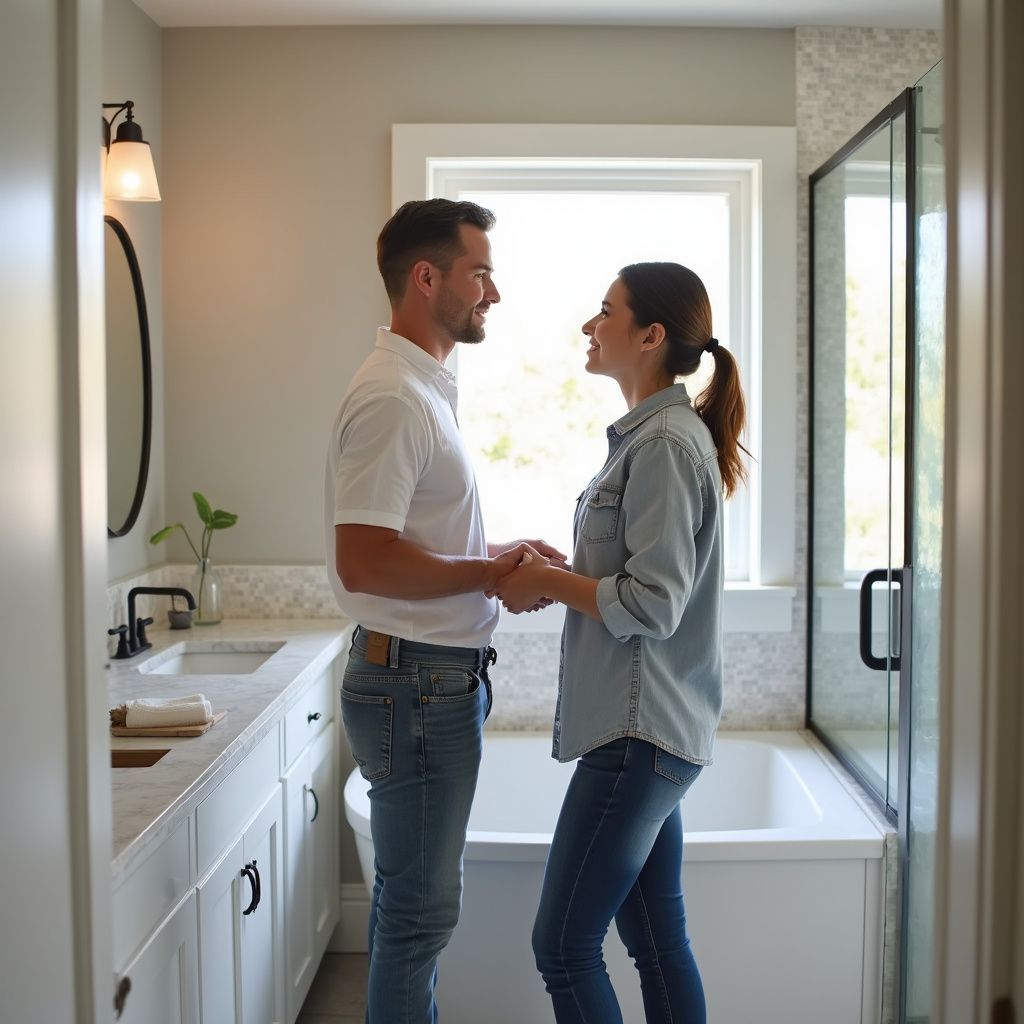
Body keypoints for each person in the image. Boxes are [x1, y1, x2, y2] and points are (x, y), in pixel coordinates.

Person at [323, 197, 563, 1024]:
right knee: (420, 917)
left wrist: (495, 557)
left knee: (412, 911)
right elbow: (365, 559)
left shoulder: (421, 387)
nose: (493, 292)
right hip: (418, 687)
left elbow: (412, 536)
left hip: (429, 683)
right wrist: (489, 576)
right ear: (428, 278)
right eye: (481, 273)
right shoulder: (394, 396)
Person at [490, 262, 747, 1024]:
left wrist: (545, 581)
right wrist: (564, 572)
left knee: (564, 947)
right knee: (657, 944)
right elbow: (637, 577)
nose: (588, 326)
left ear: (651, 335)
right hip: (656, 730)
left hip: (639, 734)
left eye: (605, 311)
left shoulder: (664, 442)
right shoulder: (659, 437)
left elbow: (654, 603)